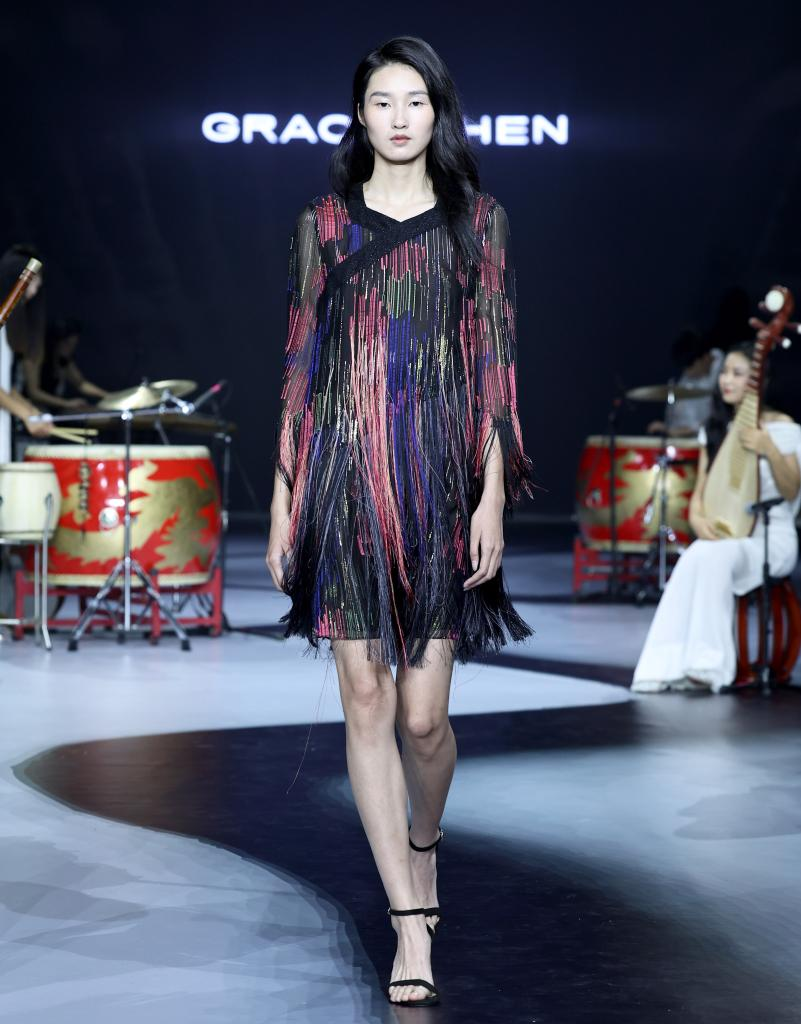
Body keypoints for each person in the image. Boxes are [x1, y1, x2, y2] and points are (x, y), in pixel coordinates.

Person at [265, 37, 535, 1007]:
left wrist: (492, 494)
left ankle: (426, 837)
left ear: (438, 110)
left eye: (414, 100)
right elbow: (301, 363)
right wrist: (284, 496)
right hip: (343, 473)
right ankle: (408, 919)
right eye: (382, 100)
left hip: (437, 479)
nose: (398, 117)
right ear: (360, 113)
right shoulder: (323, 224)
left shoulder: (478, 222)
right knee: (365, 699)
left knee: (424, 719)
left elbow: (494, 363)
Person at [633, 342, 801, 693]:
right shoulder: (715, 428)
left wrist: (768, 448)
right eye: (725, 372)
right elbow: (701, 493)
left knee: (713, 557)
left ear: (758, 381)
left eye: (737, 374)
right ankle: (664, 664)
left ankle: (708, 666)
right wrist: (697, 519)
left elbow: (791, 490)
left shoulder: (783, 427)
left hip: (771, 538)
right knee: (695, 556)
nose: (726, 380)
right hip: (729, 535)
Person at [0, 245, 52, 461]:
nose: (36, 289)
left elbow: (4, 388)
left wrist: (31, 411)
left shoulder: (7, 328)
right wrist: (25, 415)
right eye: (34, 281)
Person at [646, 329, 724, 437]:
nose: (687, 372)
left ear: (705, 358)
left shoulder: (724, 369)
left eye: (690, 367)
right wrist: (668, 429)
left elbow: (720, 417)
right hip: (685, 438)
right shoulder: (688, 377)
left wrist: (686, 431)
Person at [24, 317, 108, 411]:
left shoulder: (64, 360)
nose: (70, 349)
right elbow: (34, 393)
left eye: (73, 345)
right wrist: (66, 403)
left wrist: (107, 396)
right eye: (67, 344)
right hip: (35, 409)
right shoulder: (37, 356)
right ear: (55, 342)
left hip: (56, 409)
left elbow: (81, 384)